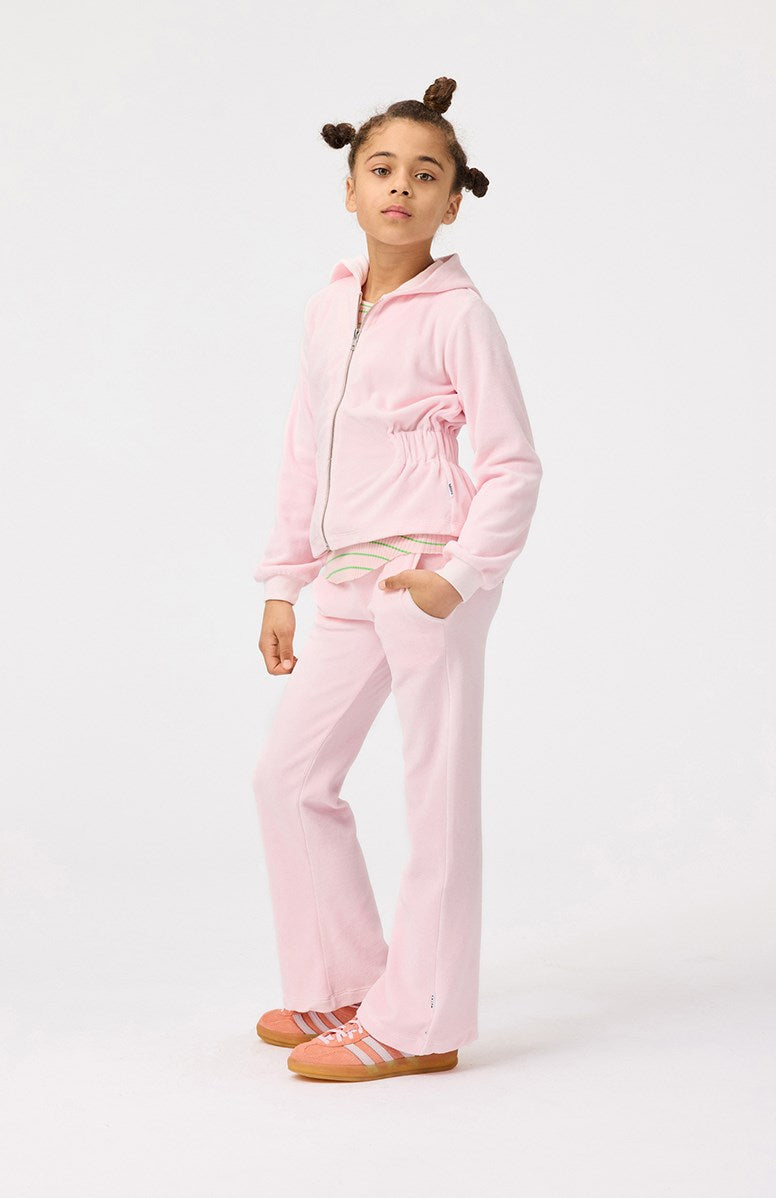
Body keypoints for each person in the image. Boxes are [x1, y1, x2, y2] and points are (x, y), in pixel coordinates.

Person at [251, 75, 543, 1083]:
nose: (401, 188)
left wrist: (457, 576)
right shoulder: (328, 306)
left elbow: (512, 463)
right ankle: (343, 982)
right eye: (382, 169)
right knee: (288, 778)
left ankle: (420, 1022)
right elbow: (305, 450)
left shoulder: (460, 315)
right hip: (343, 576)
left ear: (453, 202)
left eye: (426, 175)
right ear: (350, 188)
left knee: (434, 803)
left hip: (425, 578)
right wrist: (283, 581)